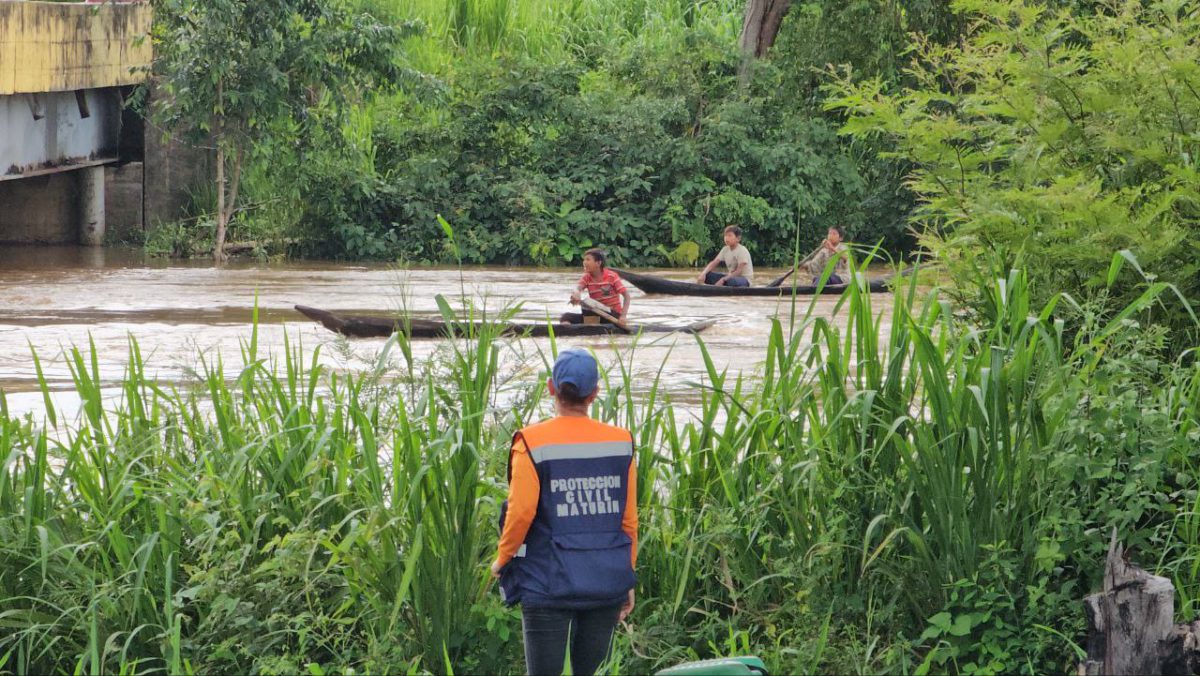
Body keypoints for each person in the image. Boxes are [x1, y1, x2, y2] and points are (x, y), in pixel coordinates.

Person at [492, 348, 638, 676]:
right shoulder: (621, 442)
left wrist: (502, 559)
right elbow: (628, 520)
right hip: (605, 580)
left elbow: (521, 512)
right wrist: (627, 575)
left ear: (551, 389)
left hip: (545, 582)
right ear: (595, 394)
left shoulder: (531, 442)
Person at [561, 248, 631, 325]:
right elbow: (578, 288)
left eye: (588, 260)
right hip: (596, 314)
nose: (584, 262)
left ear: (598, 263)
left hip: (613, 316)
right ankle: (569, 330)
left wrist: (623, 316)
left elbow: (627, 296)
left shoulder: (612, 276)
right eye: (584, 260)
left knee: (587, 302)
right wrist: (576, 293)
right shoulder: (587, 277)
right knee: (566, 317)